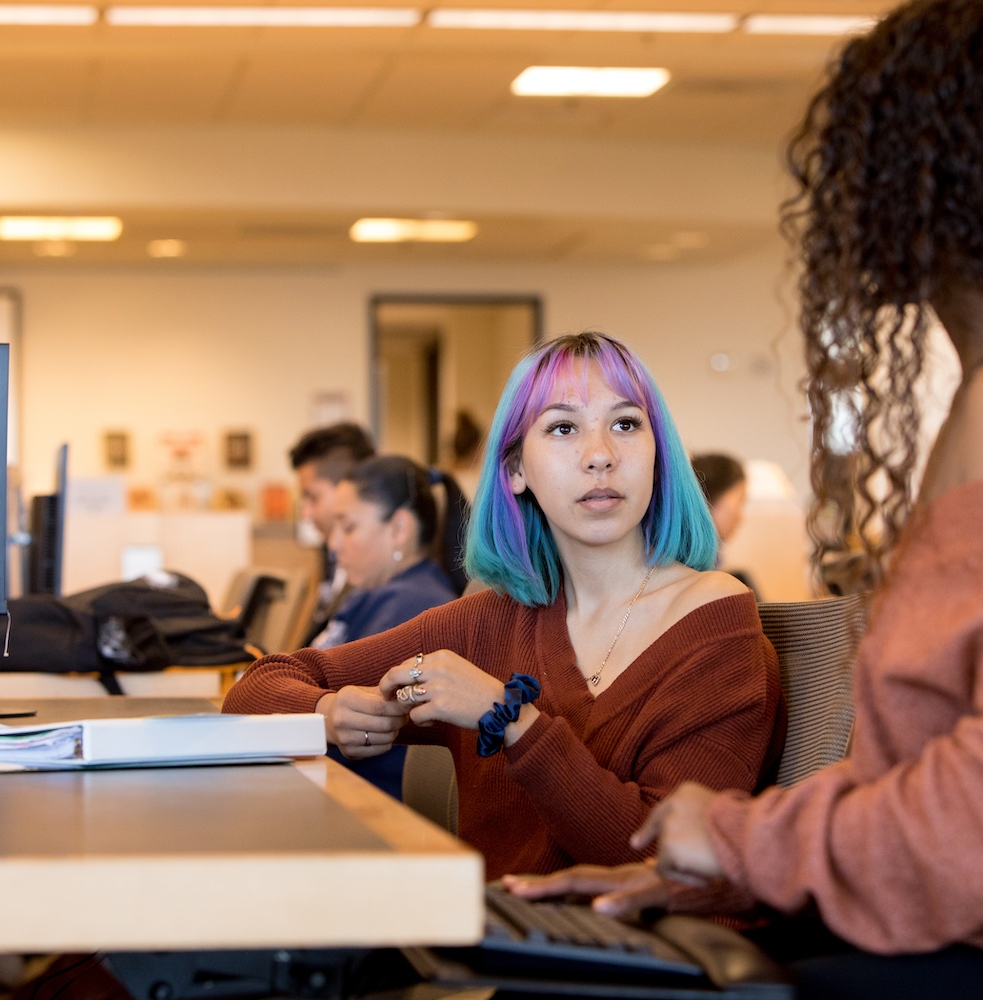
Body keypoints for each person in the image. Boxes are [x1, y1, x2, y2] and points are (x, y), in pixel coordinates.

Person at [505, 1, 983, 992]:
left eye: (874, 153)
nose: (845, 198)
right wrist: (706, 875)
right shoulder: (966, 408)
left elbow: (965, 821)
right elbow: (913, 788)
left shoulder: (705, 613)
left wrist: (734, 839)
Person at [224, 331, 785, 880]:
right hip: (487, 941)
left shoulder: (715, 623)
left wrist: (509, 718)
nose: (600, 455)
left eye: (625, 424)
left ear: (657, 453)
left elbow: (661, 861)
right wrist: (330, 713)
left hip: (621, 961)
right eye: (563, 427)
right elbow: (259, 685)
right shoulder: (492, 619)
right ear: (516, 470)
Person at [314, 454, 462, 800]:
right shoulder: (376, 593)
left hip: (363, 801)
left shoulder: (412, 606)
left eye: (348, 527)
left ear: (399, 529)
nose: (334, 544)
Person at [288, 422, 376, 646]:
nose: (306, 513)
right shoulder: (329, 555)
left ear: (346, 490)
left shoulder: (373, 571)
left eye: (313, 497)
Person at [690, 452, 761, 596]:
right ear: (710, 497)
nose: (740, 516)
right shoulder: (692, 564)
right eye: (739, 501)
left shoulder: (710, 555)